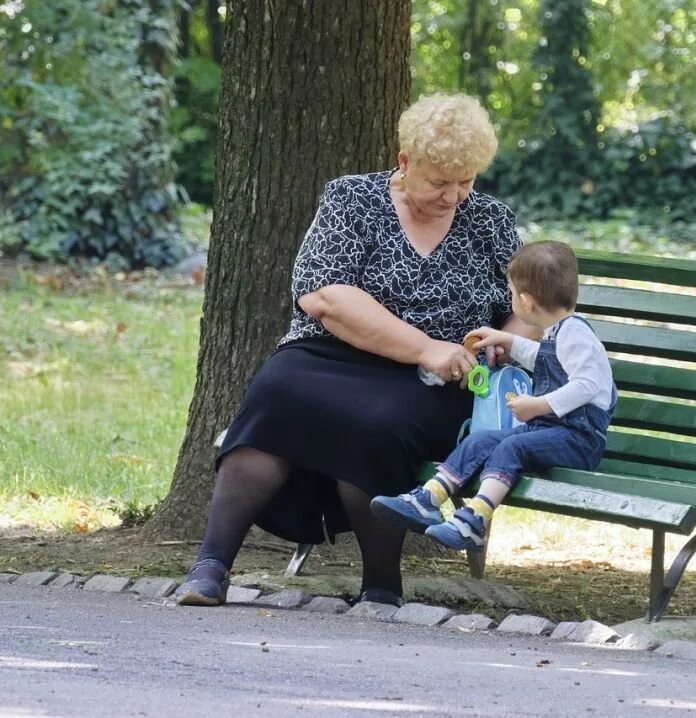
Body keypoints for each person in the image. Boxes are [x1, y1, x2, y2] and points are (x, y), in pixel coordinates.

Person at [174, 94, 527, 608]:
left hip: (436, 381)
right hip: (331, 354)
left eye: (466, 181)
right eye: (438, 181)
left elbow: (523, 304)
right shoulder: (352, 199)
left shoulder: (490, 221)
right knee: (277, 390)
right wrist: (424, 346)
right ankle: (210, 566)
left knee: (379, 421)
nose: (454, 195)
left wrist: (507, 339)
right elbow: (325, 296)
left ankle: (381, 584)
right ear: (405, 163)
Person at [370, 241, 617, 550]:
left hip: (579, 440)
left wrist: (538, 405)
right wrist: (507, 340)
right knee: (481, 440)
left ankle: (474, 522)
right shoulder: (561, 331)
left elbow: (588, 385)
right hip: (552, 432)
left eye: (511, 293)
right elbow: (543, 358)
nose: (510, 298)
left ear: (525, 303)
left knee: (513, 446)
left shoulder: (576, 334)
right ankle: (427, 500)